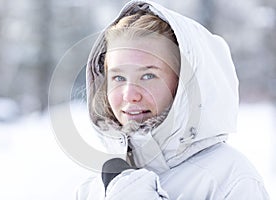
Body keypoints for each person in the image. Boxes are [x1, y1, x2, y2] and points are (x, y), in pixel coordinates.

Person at [76, 0, 270, 199]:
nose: (129, 95)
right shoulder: (94, 188)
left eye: (148, 76)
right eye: (118, 77)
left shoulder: (231, 179)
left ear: (185, 84)